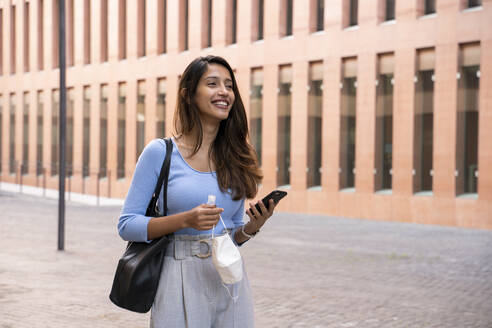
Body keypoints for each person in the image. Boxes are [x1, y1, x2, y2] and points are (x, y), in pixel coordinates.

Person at [118, 55, 278, 328]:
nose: (224, 92)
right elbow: (127, 225)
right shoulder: (160, 152)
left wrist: (251, 227)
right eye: (213, 83)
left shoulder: (238, 157)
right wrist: (185, 220)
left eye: (229, 86)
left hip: (230, 277)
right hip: (177, 274)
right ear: (189, 94)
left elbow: (233, 236)